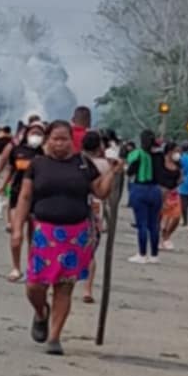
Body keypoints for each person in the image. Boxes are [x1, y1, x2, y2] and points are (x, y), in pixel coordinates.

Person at [13, 119, 119, 355]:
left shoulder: (83, 164)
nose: (60, 144)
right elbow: (25, 197)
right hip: (44, 233)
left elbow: (100, 192)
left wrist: (112, 172)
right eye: (55, 139)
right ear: (47, 140)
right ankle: (41, 312)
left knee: (64, 287)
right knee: (34, 285)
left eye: (65, 139)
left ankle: (54, 336)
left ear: (72, 141)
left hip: (74, 235)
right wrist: (17, 228)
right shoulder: (37, 164)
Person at [2, 119, 44, 279]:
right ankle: (16, 267)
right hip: (17, 195)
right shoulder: (17, 150)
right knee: (16, 233)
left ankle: (31, 268)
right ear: (27, 134)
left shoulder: (45, 153)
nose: (36, 136)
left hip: (37, 198)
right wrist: (1, 186)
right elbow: (10, 169)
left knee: (33, 237)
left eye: (39, 133)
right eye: (34, 132)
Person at [125, 129, 170, 262]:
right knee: (154, 224)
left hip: (140, 189)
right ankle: (154, 255)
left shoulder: (138, 154)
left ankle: (142, 254)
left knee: (142, 224)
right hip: (155, 190)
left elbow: (130, 172)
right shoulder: (159, 155)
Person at [80, 127, 112, 304]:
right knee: (90, 253)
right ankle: (87, 289)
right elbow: (106, 192)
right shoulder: (105, 165)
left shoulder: (77, 161)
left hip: (77, 209)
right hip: (95, 211)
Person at [159, 143, 183, 249]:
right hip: (160, 192)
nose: (178, 154)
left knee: (176, 217)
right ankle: (159, 238)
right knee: (159, 217)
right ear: (169, 151)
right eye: (176, 151)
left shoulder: (178, 164)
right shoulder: (160, 162)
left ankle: (167, 236)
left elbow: (180, 178)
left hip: (173, 193)